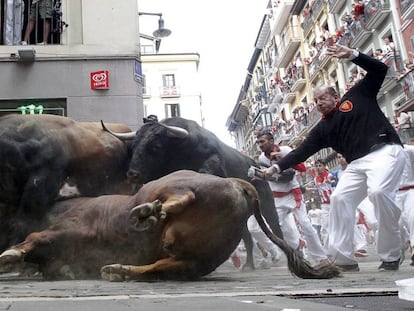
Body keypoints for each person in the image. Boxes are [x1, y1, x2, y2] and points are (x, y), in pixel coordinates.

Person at [262, 44, 406, 272]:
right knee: (339, 199)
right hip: (357, 164)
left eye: (322, 98)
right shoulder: (323, 128)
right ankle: (344, 259)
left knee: (378, 192)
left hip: (385, 151)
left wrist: (353, 55)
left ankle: (391, 255)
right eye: (315, 101)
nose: (318, 103)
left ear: (335, 96)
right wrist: (276, 168)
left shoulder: (358, 95)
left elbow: (379, 69)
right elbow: (302, 151)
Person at [256, 131, 331, 267]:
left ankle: (321, 258)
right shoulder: (261, 158)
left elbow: (302, 168)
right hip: (277, 196)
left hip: (292, 193)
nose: (260, 145)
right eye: (258, 142)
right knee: (277, 226)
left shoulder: (286, 150)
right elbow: (269, 177)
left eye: (262, 141)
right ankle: (297, 245)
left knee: (305, 224)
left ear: (272, 141)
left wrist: (285, 158)